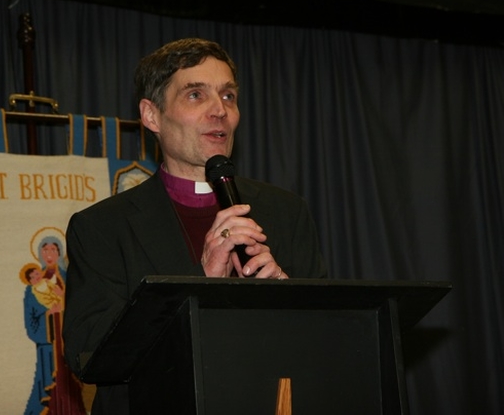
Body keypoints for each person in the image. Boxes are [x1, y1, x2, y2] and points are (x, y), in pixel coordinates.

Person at [62, 37, 327, 414]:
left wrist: (285, 293)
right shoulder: (102, 227)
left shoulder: (286, 211)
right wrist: (198, 281)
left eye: (229, 96)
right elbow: (89, 355)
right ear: (152, 115)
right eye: (195, 95)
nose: (219, 110)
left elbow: (328, 341)